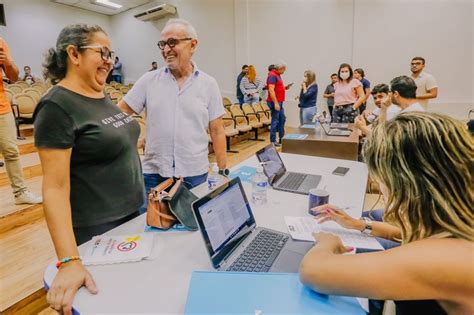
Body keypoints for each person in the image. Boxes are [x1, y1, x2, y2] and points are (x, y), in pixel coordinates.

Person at [301, 112, 474, 315]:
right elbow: (405, 233)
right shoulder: (456, 223)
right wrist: (359, 225)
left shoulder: (445, 258)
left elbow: (313, 271)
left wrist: (326, 242)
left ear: (404, 184)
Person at [34, 24, 145, 314]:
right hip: (99, 229)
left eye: (112, 54)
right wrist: (69, 261)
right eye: (103, 52)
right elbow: (55, 189)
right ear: (74, 53)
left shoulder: (100, 94)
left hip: (134, 215)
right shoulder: (56, 106)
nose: (110, 60)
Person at [117, 18, 227, 214]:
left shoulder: (209, 84)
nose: (166, 49)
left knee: (192, 231)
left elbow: (217, 130)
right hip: (154, 173)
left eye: (172, 42)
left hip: (194, 173)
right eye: (162, 44)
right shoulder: (149, 80)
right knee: (151, 228)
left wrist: (223, 170)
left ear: (193, 44)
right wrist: (129, 140)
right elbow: (119, 113)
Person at [0, 37, 42, 204]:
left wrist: (8, 63)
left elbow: (14, 78)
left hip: (2, 108)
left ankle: (20, 193)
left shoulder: (0, 41)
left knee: (11, 152)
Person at [266, 62, 292, 146]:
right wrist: (276, 103)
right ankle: (273, 141)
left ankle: (282, 138)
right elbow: (271, 90)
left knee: (282, 119)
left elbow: (277, 87)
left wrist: (285, 88)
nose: (284, 71)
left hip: (280, 102)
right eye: (284, 69)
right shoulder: (272, 75)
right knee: (275, 121)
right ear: (280, 68)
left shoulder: (277, 75)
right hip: (275, 102)